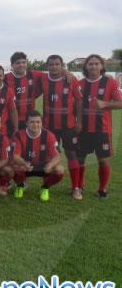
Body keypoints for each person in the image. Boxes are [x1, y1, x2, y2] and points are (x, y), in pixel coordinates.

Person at [76, 54, 122, 200]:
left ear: (102, 66)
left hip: (102, 130)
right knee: (80, 159)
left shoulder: (110, 82)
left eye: (97, 63)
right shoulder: (80, 84)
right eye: (91, 64)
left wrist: (105, 104)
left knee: (103, 160)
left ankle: (102, 189)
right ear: (86, 66)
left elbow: (120, 103)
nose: (94, 66)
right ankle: (80, 186)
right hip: (83, 130)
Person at [37, 54, 83, 193]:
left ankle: (76, 187)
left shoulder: (71, 79)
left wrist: (79, 121)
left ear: (62, 66)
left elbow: (79, 100)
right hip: (49, 127)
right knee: (49, 156)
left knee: (71, 154)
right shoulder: (43, 79)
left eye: (57, 64)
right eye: (51, 64)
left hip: (68, 126)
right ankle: (46, 186)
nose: (54, 67)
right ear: (47, 66)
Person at [11, 110, 64, 202]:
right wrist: (24, 163)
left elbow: (57, 156)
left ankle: (45, 187)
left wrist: (50, 165)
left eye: (38, 122)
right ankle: (20, 185)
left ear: (41, 123)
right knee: (14, 167)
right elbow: (15, 156)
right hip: (26, 165)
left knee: (59, 170)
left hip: (43, 165)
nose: (35, 125)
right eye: (32, 122)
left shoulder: (49, 135)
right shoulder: (19, 135)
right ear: (26, 123)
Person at [5, 52, 44, 131]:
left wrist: (65, 71)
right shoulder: (6, 78)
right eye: (18, 63)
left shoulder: (34, 75)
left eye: (24, 62)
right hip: (10, 119)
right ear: (12, 65)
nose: (21, 65)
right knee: (13, 142)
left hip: (29, 119)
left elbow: (52, 74)